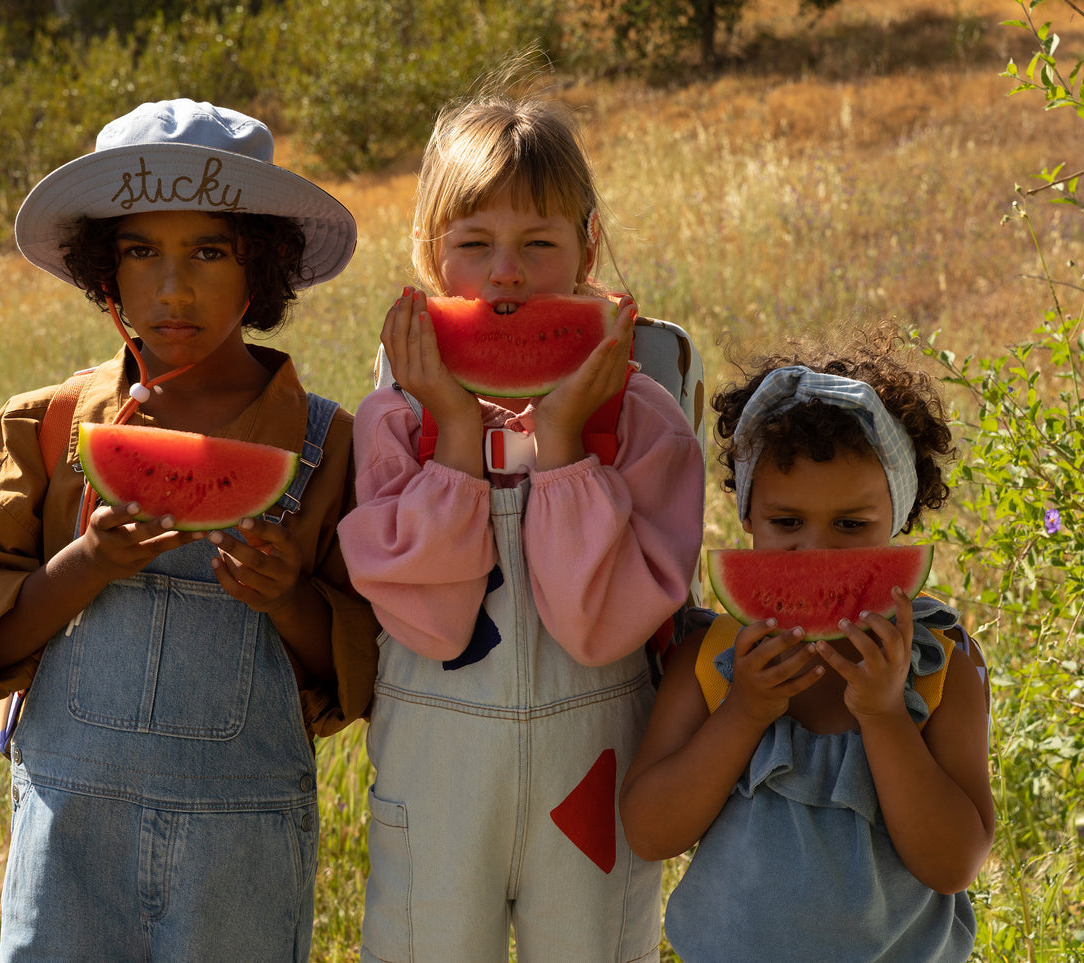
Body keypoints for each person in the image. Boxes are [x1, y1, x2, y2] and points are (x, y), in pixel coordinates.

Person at [0, 98, 379, 962]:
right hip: (70, 831)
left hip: (243, 843)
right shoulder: (45, 428)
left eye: (209, 250)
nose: (173, 288)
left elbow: (354, 667)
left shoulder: (330, 447)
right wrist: (84, 564)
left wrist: (290, 599)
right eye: (139, 251)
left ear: (262, 267)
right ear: (103, 269)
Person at [335, 86, 705, 963]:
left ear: (587, 251)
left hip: (594, 770)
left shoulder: (645, 423)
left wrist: (568, 443)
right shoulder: (395, 423)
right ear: (432, 258)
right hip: (440, 777)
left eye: (537, 244)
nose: (506, 272)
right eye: (475, 245)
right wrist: (457, 436)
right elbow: (428, 621)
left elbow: (601, 626)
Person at [618, 339, 994, 962]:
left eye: (851, 525)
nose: (815, 554)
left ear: (899, 521)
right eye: (787, 523)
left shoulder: (938, 666)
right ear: (747, 518)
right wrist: (743, 712)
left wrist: (884, 715)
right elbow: (648, 831)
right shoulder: (709, 660)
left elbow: (953, 864)